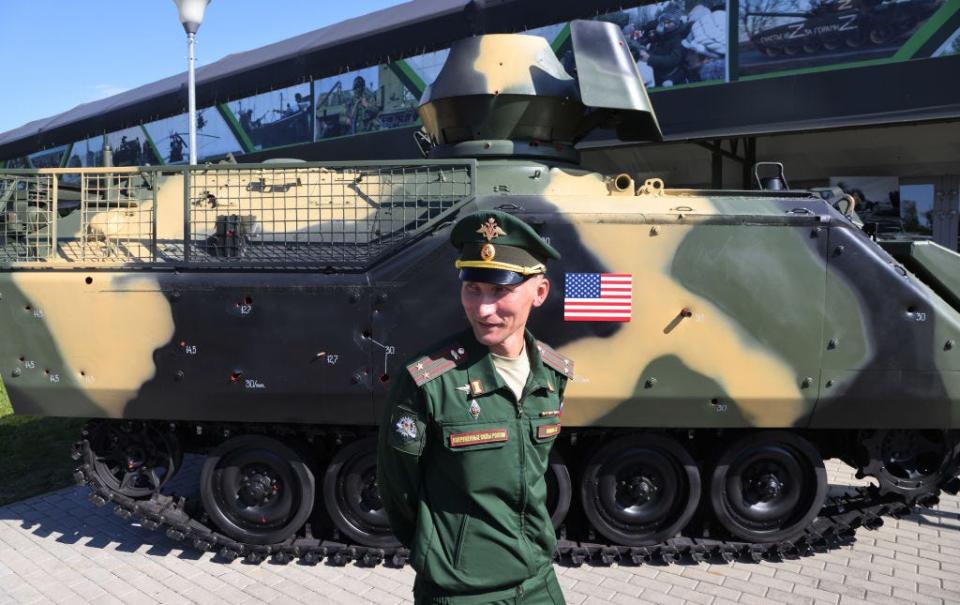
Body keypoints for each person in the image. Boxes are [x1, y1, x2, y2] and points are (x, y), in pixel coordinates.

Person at [378, 210, 574, 604]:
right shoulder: (429, 382)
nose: (483, 309)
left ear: (539, 293)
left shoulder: (552, 373)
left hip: (537, 580)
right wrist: (442, 552)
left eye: (500, 291)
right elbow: (398, 490)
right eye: (473, 289)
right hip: (460, 590)